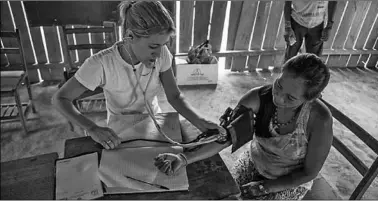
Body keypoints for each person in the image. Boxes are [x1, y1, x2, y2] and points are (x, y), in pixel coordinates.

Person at [154, 53, 334, 200]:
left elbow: (309, 173)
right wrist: (183, 159)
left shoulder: (319, 120)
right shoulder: (256, 99)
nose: (278, 97)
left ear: (310, 99)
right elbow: (225, 138)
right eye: (278, 85)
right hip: (255, 162)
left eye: (290, 98)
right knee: (226, 195)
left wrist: (266, 187)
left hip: (289, 180)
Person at [52, 1, 224, 150]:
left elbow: (175, 96)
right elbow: (60, 99)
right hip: (119, 126)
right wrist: (92, 128)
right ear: (130, 36)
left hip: (154, 120)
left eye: (163, 45)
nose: (158, 53)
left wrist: (201, 122)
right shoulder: (101, 63)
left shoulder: (162, 53)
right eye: (153, 46)